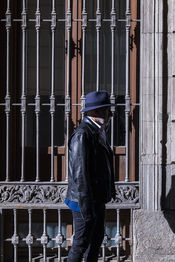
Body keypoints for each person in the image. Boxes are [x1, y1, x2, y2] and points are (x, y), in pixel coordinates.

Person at [65, 90, 116, 262]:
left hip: (96, 199)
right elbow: (80, 175)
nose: (109, 114)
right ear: (94, 112)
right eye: (106, 110)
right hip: (84, 202)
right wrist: (87, 209)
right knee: (80, 245)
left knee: (95, 242)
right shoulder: (82, 134)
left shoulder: (97, 131)